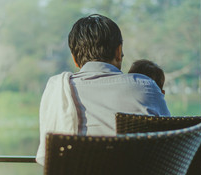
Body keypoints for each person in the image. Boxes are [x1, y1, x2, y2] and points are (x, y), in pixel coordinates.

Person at [36, 14, 170, 165]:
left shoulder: (57, 89)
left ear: (74, 59)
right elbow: (171, 145)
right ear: (118, 52)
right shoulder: (145, 87)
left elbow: (47, 158)